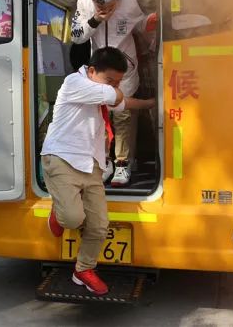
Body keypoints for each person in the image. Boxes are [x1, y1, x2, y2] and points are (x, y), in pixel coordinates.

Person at [41, 47, 154, 296]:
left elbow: (123, 102)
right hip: (62, 158)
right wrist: (115, 90)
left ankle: (83, 269)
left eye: (118, 81)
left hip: (91, 165)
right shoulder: (74, 82)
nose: (115, 86)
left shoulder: (99, 91)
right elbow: (116, 97)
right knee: (72, 219)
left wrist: (152, 104)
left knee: (100, 225)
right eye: (110, 80)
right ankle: (59, 210)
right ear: (91, 71)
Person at [70, 0, 157, 186]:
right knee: (99, 118)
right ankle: (104, 161)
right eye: (98, 3)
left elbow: (139, 27)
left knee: (124, 116)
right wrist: (96, 19)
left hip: (124, 70)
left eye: (109, 4)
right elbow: (76, 35)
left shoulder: (129, 3)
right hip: (99, 72)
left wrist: (150, 22)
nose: (105, 7)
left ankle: (123, 163)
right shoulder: (84, 3)